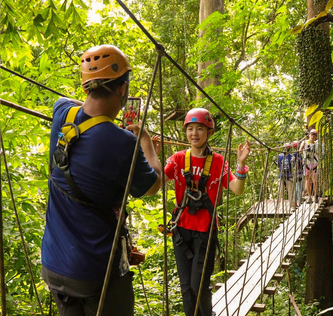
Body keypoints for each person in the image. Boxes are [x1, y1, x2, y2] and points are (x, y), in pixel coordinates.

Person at [41, 44, 162, 316]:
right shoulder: (123, 142)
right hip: (97, 273)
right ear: (122, 89)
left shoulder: (62, 112)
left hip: (55, 266)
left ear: (86, 87)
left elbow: (69, 103)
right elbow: (155, 184)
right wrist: (145, 141)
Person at [155, 108, 251, 316]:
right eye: (190, 129)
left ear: (209, 133)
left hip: (205, 231)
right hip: (181, 230)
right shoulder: (177, 159)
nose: (194, 133)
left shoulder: (217, 162)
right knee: (186, 289)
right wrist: (152, 155)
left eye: (200, 129)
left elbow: (237, 189)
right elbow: (157, 183)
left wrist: (241, 164)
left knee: (198, 286)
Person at [300, 129, 319, 203]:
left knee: (315, 180)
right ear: (309, 135)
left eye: (314, 135)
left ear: (315, 136)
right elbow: (300, 151)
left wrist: (321, 163)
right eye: (311, 134)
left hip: (314, 163)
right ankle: (309, 197)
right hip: (306, 163)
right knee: (307, 181)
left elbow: (318, 154)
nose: (312, 136)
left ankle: (316, 196)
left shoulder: (316, 144)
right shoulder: (304, 142)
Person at [276, 143, 295, 208]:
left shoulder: (291, 156)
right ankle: (277, 205)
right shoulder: (280, 156)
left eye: (287, 147)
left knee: (290, 191)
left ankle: (291, 206)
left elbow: (293, 166)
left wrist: (293, 161)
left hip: (289, 175)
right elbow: (278, 165)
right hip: (282, 175)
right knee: (280, 191)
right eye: (284, 147)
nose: (285, 149)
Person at [291, 140, 303, 206]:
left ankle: (295, 202)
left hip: (296, 172)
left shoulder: (295, 154)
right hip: (299, 172)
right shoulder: (297, 154)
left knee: (297, 187)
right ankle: (299, 202)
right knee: (299, 187)